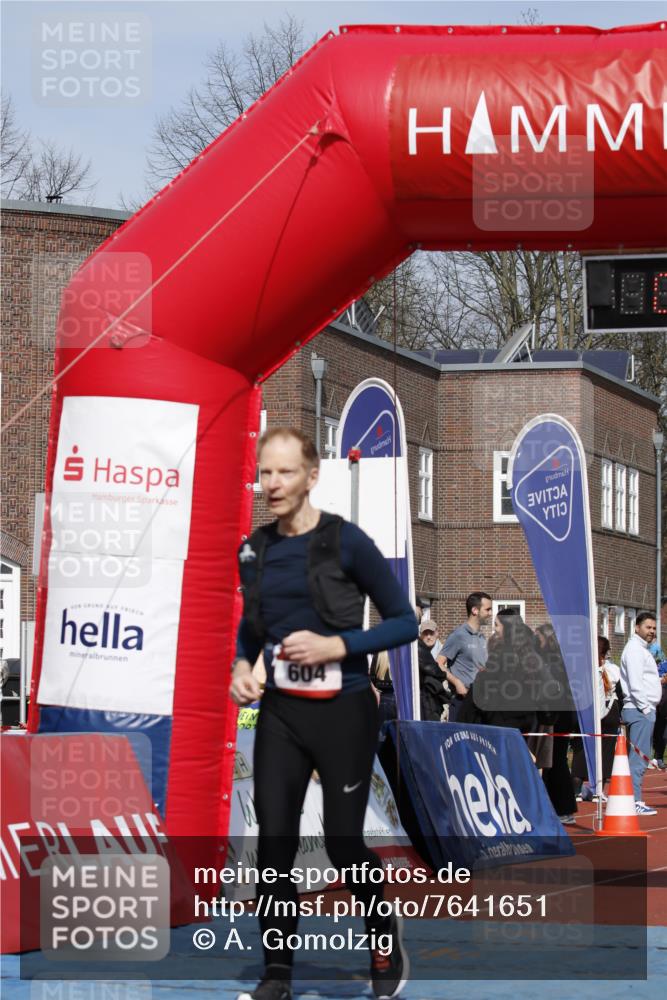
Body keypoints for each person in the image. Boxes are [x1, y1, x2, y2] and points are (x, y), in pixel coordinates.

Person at [230, 427, 417, 1000]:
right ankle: (277, 973)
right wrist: (242, 665)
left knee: (341, 843)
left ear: (312, 477)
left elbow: (404, 622)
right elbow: (253, 626)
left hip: (344, 710)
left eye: (285, 472)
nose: (273, 483)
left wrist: (339, 646)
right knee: (276, 845)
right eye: (265, 472)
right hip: (282, 713)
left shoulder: (348, 542)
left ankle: (383, 934)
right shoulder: (254, 549)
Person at [457, 609, 546, 738]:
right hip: (525, 721)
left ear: (508, 627)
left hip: (503, 722)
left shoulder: (503, 655)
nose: (495, 630)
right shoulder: (528, 653)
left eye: (497, 625)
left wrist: (481, 677)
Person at [535, 623, 578, 825]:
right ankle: (561, 806)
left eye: (538, 638)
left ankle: (562, 807)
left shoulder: (549, 663)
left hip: (555, 716)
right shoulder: (562, 662)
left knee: (554, 761)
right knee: (556, 762)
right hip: (563, 714)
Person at [571, 636, 621, 803]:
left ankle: (577, 789)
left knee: (582, 748)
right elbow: (620, 692)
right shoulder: (612, 669)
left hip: (589, 711)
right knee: (605, 751)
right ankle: (599, 790)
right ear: (605, 652)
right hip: (608, 710)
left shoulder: (582, 668)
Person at [620, 611, 661, 816]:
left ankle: (632, 799)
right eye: (648, 627)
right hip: (639, 710)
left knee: (639, 758)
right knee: (639, 759)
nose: (652, 631)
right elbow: (636, 683)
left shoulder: (641, 650)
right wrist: (645, 709)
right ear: (637, 628)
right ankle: (634, 800)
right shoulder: (635, 650)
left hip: (642, 709)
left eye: (654, 628)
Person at [440, 592, 492, 721]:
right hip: (461, 702)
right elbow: (438, 664)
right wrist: (457, 683)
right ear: (475, 610)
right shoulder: (458, 635)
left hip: (480, 702)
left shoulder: (482, 637)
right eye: (487, 609)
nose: (490, 613)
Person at [417, 620, 451, 721]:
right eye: (425, 633)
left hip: (442, 699)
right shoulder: (417, 652)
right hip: (425, 703)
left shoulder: (445, 652)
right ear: (420, 635)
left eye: (431, 633)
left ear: (437, 633)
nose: (428, 637)